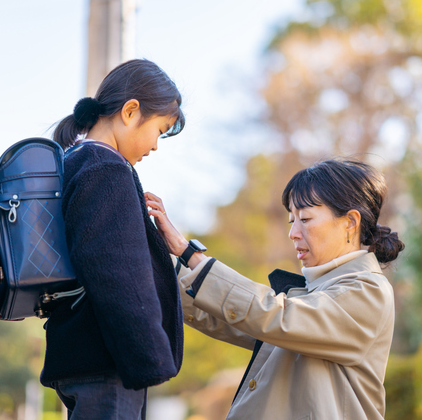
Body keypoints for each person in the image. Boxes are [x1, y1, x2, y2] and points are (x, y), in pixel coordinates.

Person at [146, 159, 405, 419]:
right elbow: (230, 317)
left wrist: (189, 254)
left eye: (305, 219)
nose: (293, 233)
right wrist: (157, 262)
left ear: (350, 222)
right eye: (292, 220)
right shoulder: (314, 293)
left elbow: (274, 315)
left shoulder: (367, 289)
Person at [40, 59, 186, 419]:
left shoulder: (74, 160)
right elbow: (119, 274)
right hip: (107, 365)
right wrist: (148, 356)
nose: (155, 145)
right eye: (160, 130)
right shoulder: (107, 170)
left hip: (81, 356)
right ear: (131, 111)